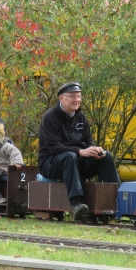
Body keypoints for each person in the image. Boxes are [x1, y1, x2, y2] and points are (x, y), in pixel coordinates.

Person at [38, 82, 120, 220]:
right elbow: (54, 148)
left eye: (78, 96)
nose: (76, 100)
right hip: (50, 164)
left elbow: (88, 141)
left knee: (106, 156)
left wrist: (94, 150)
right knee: (69, 156)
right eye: (72, 96)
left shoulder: (81, 117)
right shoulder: (50, 117)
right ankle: (77, 204)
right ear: (61, 98)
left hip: (76, 162)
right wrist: (81, 152)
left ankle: (116, 201)